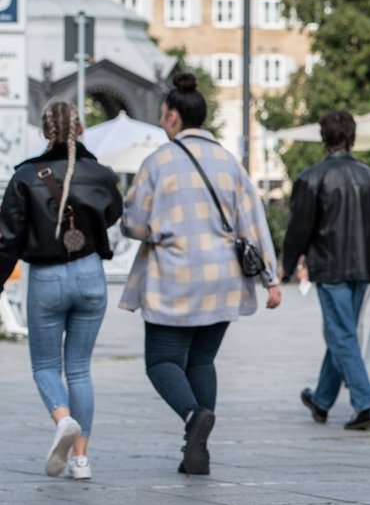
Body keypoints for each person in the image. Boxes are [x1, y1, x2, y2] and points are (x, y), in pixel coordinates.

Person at [121, 73, 282, 474]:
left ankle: (194, 417)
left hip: (175, 276)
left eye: (163, 116)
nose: (162, 123)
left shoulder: (157, 161)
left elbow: (133, 222)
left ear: (174, 118)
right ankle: (197, 452)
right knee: (202, 360)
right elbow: (253, 221)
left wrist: (155, 230)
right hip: (224, 278)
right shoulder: (229, 162)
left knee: (161, 361)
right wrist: (271, 279)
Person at [0, 102, 121, 480]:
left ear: (45, 131)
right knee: (80, 369)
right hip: (90, 275)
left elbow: (7, 238)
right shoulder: (101, 173)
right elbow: (113, 214)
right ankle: (81, 461)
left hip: (48, 277)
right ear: (80, 129)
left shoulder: (24, 177)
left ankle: (62, 418)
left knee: (45, 367)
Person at [283, 109, 370, 431]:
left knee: (342, 334)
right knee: (344, 331)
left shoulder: (311, 177)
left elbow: (299, 228)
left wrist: (287, 265)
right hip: (362, 266)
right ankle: (322, 398)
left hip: (329, 266)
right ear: (352, 136)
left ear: (324, 137)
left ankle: (366, 405)